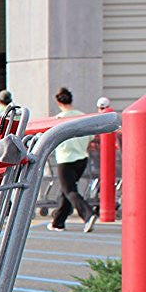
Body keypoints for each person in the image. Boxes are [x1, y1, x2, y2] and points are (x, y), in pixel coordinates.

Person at [47, 87, 95, 233]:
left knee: (69, 190)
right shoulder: (82, 116)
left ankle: (88, 214)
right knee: (65, 190)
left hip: (65, 159)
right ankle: (58, 222)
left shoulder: (59, 119)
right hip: (82, 158)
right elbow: (91, 137)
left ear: (58, 102)